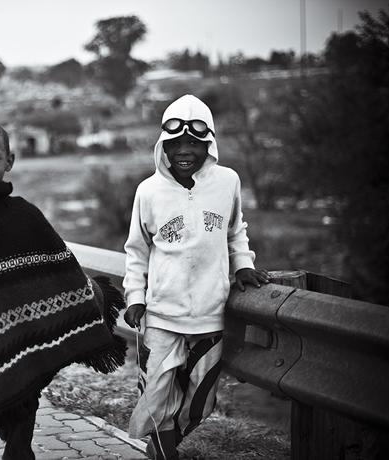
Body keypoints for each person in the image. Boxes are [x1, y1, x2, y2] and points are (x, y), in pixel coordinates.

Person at [0, 119, 127, 460]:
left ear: (9, 161)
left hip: (23, 357)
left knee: (19, 449)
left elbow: (60, 270)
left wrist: (94, 294)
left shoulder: (26, 217)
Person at [122, 95, 270, 460]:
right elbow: (137, 251)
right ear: (163, 146)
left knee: (200, 401)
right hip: (162, 316)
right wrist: (135, 297)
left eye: (194, 143)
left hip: (210, 315)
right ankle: (164, 451)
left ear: (210, 144)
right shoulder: (148, 191)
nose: (184, 151)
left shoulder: (227, 182)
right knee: (156, 397)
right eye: (175, 143)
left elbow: (235, 231)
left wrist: (243, 265)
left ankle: (163, 444)